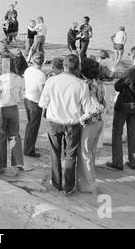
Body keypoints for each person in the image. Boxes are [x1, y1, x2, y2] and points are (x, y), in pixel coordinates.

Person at [39, 54, 91, 195]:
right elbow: (88, 110)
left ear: (64, 66)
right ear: (77, 68)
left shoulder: (52, 81)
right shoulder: (82, 84)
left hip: (54, 122)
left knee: (55, 154)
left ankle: (56, 183)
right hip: (72, 124)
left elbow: (42, 103)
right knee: (70, 155)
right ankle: (68, 186)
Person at [106, 46, 135, 171]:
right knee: (132, 133)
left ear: (133, 55)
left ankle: (118, 161)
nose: (129, 56)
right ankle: (132, 161)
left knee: (117, 133)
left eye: (130, 54)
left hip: (124, 105)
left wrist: (120, 79)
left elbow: (117, 86)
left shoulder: (132, 70)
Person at [76, 58, 106, 194]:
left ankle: (88, 185)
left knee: (84, 153)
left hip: (90, 122)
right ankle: (90, 181)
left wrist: (83, 118)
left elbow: (97, 107)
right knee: (91, 152)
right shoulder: (98, 83)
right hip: (99, 122)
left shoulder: (87, 85)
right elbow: (103, 104)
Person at [0, 55, 25, 169]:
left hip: (0, 108)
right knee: (15, 135)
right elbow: (22, 96)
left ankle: (1, 163)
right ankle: (17, 162)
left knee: (1, 136)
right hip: (13, 108)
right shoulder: (19, 78)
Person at [23, 52, 46, 158]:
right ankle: (29, 150)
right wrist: (46, 105)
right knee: (33, 126)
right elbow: (42, 92)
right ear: (43, 61)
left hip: (27, 98)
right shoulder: (41, 75)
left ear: (32, 60)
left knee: (30, 124)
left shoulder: (28, 70)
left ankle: (28, 146)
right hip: (35, 102)